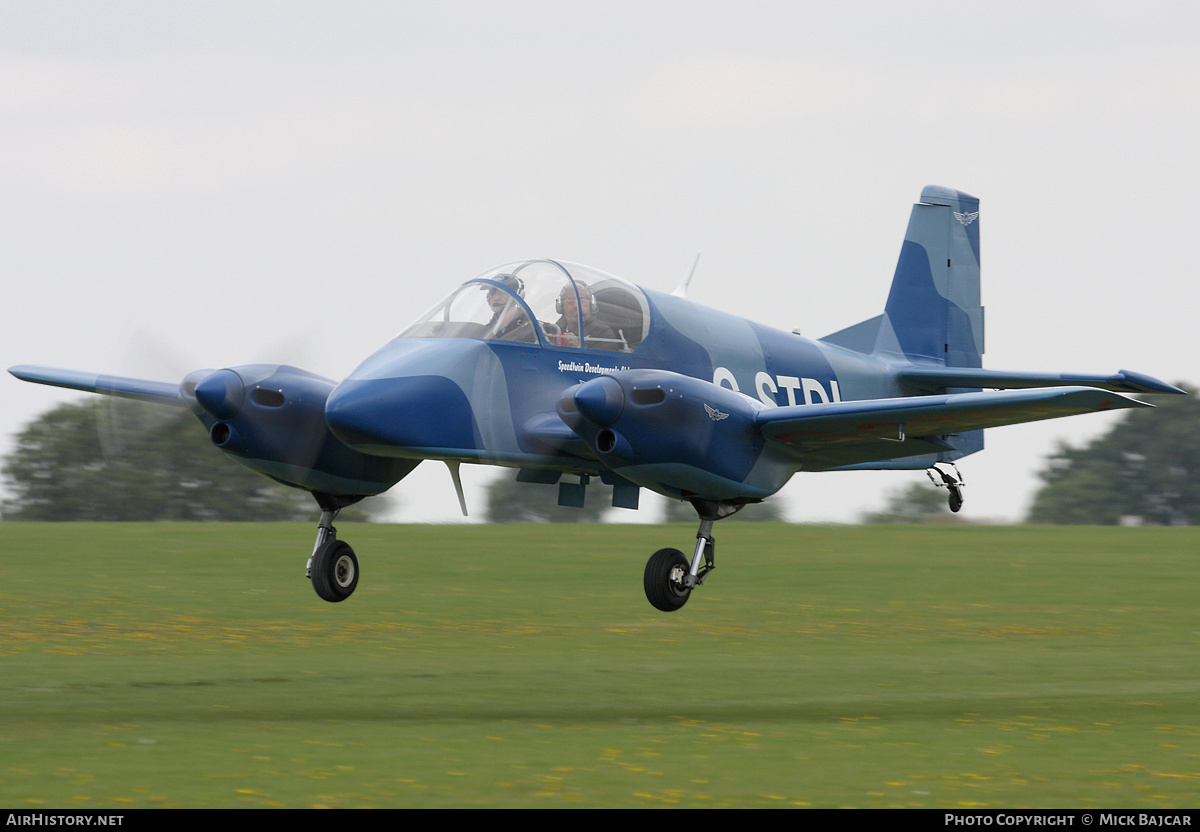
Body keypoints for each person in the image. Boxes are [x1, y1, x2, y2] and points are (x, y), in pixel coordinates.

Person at [554, 281, 620, 350]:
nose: (576, 305)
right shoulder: (554, 331)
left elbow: (606, 359)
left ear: (591, 304)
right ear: (561, 306)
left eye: (581, 301)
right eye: (570, 302)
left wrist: (579, 346)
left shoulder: (603, 333)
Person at [485, 275, 537, 343]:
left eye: (501, 293)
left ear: (517, 296)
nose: (495, 298)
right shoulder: (485, 332)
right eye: (492, 293)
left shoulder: (533, 330)